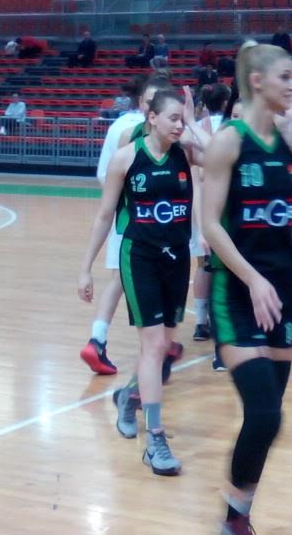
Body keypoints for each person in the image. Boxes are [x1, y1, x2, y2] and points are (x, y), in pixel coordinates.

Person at [201, 42, 292, 535]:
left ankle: (237, 514)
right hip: (238, 294)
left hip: (281, 292)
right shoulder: (228, 142)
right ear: (258, 81)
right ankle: (234, 516)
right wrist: (253, 278)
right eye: (285, 76)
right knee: (264, 414)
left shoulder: (285, 141)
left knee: (269, 418)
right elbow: (210, 225)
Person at [76, 89, 199, 476]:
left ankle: (129, 396)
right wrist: (85, 267)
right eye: (174, 118)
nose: (179, 125)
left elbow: (217, 157)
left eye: (182, 118)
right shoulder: (126, 158)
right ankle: (155, 439)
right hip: (140, 256)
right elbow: (104, 216)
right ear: (152, 118)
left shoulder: (187, 152)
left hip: (178, 256)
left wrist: (194, 123)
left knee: (164, 347)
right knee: (154, 344)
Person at [79, 76, 171, 377]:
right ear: (143, 104)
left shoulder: (124, 128)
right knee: (142, 284)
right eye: (150, 101)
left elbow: (104, 175)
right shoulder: (133, 137)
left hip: (135, 221)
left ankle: (99, 338)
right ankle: (154, 355)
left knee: (120, 281)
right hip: (138, 225)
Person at [191, 83, 233, 371]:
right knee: (219, 273)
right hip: (217, 212)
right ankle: (221, 339)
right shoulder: (226, 130)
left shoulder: (201, 128)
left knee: (204, 268)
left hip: (210, 209)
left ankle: (200, 322)